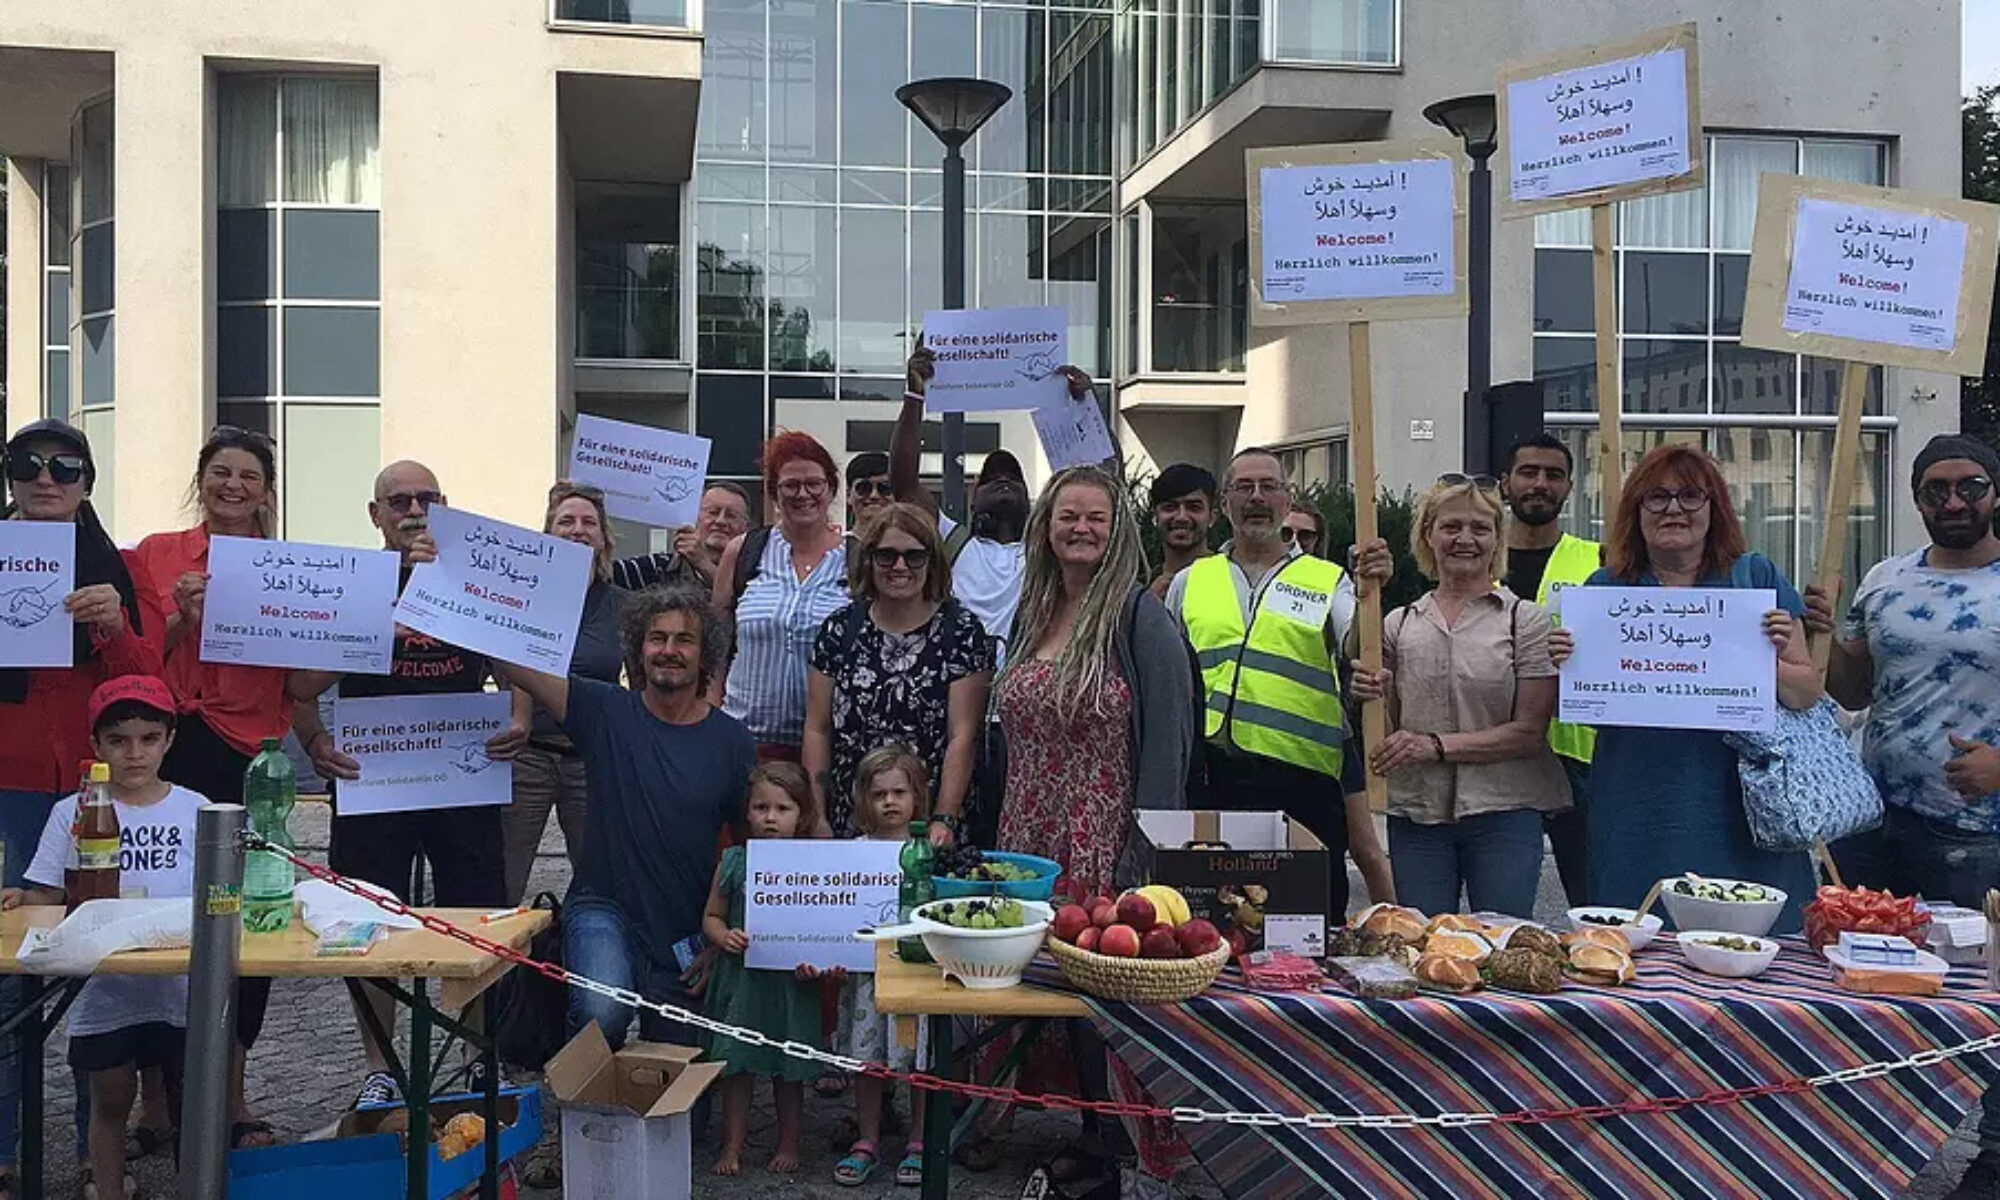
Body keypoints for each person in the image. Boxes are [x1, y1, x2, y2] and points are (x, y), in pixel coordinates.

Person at [977, 464, 1193, 1186]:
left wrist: (1148, 846)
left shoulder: (1140, 617)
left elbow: (1170, 739)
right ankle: (1070, 1121)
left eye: (1095, 517)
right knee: (1042, 992)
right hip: (1030, 829)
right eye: (1067, 515)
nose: (1080, 528)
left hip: (1105, 832)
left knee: (1102, 997)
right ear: (1045, 526)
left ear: (1117, 529)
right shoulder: (1030, 612)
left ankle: (1116, 1141)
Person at [289, 461, 525, 1108]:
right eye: (399, 500)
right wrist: (315, 742)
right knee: (370, 920)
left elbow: (519, 667)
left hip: (461, 776)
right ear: (376, 515)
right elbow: (300, 689)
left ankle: (479, 1058)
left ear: (445, 506)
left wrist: (521, 717)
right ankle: (381, 1067)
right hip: (374, 779)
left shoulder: (470, 580)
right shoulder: (355, 586)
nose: (413, 509)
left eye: (426, 498)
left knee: (474, 918)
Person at [1550, 444, 1822, 932]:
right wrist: (1571, 666)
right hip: (1638, 802)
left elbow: (1805, 694)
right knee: (1640, 946)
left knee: (1754, 949)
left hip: (1741, 806)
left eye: (1690, 496)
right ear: (1636, 512)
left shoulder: (1754, 577)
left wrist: (1764, 663)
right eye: (1656, 497)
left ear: (1714, 507)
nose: (1673, 508)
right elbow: (1591, 711)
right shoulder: (1604, 589)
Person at [1827, 434, 2000, 1200]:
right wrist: (1823, 631)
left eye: (1971, 487)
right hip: (1872, 822)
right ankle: (1866, 1144)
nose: (1954, 503)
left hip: (1978, 833)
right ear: (1917, 498)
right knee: (1864, 980)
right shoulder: (1884, 578)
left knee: (1981, 995)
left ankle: (1991, 1156)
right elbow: (1853, 690)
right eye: (1936, 490)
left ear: (1996, 492)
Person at [0, 418, 160, 1196]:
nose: (47, 477)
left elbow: (147, 687)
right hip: (13, 787)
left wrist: (114, 626)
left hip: (100, 790)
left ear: (87, 482)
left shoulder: (117, 569)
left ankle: (92, 1150)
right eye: (28, 464)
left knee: (92, 963)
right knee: (10, 971)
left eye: (66, 466)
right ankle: (4, 1146)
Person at [494, 586, 754, 1051]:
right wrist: (439, 584)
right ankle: (584, 1110)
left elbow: (747, 848)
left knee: (684, 1083)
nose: (669, 651)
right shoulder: (604, 709)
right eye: (657, 638)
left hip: (686, 927)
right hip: (603, 908)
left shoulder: (732, 742)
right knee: (603, 1008)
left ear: (706, 655)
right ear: (638, 649)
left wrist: (719, 936)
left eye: (684, 640)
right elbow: (517, 665)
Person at [128, 424, 290, 1148]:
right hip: (165, 744)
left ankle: (231, 1090)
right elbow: (132, 658)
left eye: (248, 476)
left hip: (249, 753)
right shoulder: (156, 555)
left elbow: (308, 678)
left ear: (266, 490)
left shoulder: (293, 567)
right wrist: (179, 620)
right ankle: (155, 1100)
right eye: (220, 473)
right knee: (158, 910)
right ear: (202, 480)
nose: (233, 486)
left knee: (249, 914)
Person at [11, 677, 203, 1200]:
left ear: (169, 739)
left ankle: (200, 1187)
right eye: (118, 741)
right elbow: (45, 891)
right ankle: (109, 1188)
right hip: (104, 988)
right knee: (111, 1099)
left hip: (183, 987)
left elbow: (226, 889)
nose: (134, 753)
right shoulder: (70, 811)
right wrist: (22, 900)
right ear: (96, 747)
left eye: (148, 738)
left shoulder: (196, 809)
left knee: (194, 1105)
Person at [1348, 475, 1569, 918]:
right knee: (1424, 944)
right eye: (1451, 527)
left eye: (1479, 528)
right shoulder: (1397, 623)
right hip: (1419, 816)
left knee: (1502, 942)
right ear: (1428, 535)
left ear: (1496, 540)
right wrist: (1368, 687)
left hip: (1504, 813)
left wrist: (1433, 746)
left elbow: (1528, 734)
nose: (1464, 539)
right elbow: (1384, 725)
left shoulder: (1525, 622)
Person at [896, 344, 1085, 848]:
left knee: (1022, 836)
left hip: (1029, 715)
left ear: (1034, 498)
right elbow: (903, 482)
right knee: (964, 835)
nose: (1003, 485)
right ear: (971, 496)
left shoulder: (1049, 550)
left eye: (1013, 479)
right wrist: (916, 395)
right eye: (991, 479)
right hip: (961, 715)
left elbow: (1097, 493)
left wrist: (1080, 412)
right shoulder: (954, 544)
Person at [1167, 447, 1363, 921]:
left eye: (1269, 487)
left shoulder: (1329, 581)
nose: (1257, 498)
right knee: (1208, 929)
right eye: (1244, 488)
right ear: (1226, 502)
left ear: (1287, 498)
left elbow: (1359, 652)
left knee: (1307, 929)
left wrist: (1372, 593)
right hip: (1213, 782)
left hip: (1304, 786)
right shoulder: (1190, 581)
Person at [804, 503, 990, 839]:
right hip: (853, 818)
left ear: (932, 562)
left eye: (914, 556)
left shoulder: (961, 632)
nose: (900, 566)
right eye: (886, 556)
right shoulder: (840, 629)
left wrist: (945, 818)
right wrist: (818, 815)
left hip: (930, 823)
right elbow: (817, 729)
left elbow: (963, 736)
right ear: (869, 560)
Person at [501, 482, 629, 904]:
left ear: (604, 537)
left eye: (589, 522)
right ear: (547, 535)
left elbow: (642, 688)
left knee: (600, 879)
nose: (578, 530)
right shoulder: (522, 598)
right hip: (527, 757)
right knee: (503, 877)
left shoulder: (624, 605)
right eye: (566, 521)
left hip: (591, 760)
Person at [701, 762, 824, 1177]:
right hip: (742, 982)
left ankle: (789, 1142)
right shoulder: (734, 861)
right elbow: (712, 916)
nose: (771, 817)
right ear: (747, 812)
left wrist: (817, 963)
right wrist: (723, 938)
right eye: (761, 807)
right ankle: (732, 1144)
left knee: (788, 1071)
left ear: (802, 815)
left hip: (790, 985)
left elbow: (824, 927)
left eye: (783, 808)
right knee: (737, 1067)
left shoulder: (814, 865)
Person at [1496, 434, 1601, 908]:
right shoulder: (1475, 557)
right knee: (1500, 902)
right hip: (1495, 753)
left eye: (1553, 475)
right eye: (1528, 473)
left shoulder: (1599, 562)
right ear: (1505, 483)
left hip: (1577, 755)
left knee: (1592, 899)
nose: (1540, 484)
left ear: (1569, 488)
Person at [711, 434, 851, 762]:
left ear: (831, 489)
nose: (803, 494)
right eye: (791, 485)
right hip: (743, 742)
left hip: (826, 748)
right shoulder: (744, 551)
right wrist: (710, 719)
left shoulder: (856, 559)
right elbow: (715, 647)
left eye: (814, 483)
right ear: (774, 492)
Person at [830, 747, 932, 1188]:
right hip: (866, 976)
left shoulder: (930, 851)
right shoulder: (854, 852)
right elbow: (832, 912)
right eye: (879, 794)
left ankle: (920, 1140)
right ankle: (867, 1138)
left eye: (899, 792)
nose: (890, 802)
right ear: (864, 800)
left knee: (923, 1063)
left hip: (920, 976)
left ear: (916, 797)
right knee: (867, 1059)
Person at [611, 481, 752, 593]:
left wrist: (703, 563)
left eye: (731, 515)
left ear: (746, 526)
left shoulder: (756, 574)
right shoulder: (659, 568)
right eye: (713, 512)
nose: (721, 521)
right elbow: (603, 575)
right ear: (695, 518)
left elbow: (744, 601)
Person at [1147, 464, 1217, 600]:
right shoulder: (1136, 590)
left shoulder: (1235, 579)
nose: (1181, 517)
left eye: (1194, 507)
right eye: (1170, 507)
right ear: (1154, 517)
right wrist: (1147, 606)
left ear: (1212, 517)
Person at [846, 451, 893, 532]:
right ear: (849, 495)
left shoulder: (912, 543)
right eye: (864, 488)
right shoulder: (833, 544)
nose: (874, 495)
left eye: (884, 488)